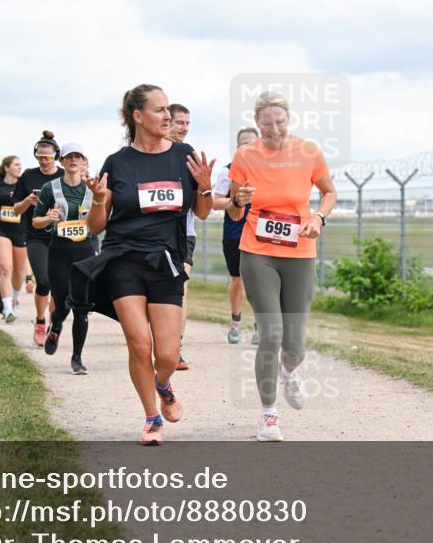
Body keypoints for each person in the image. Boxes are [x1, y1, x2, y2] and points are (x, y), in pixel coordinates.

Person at [72, 84, 215, 445]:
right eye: (160, 110)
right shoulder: (117, 162)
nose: (168, 117)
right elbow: (95, 227)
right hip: (123, 259)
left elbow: (201, 211)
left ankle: (163, 385)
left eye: (169, 110)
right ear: (138, 116)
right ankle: (152, 417)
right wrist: (99, 200)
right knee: (139, 345)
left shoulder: (184, 156)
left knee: (166, 354)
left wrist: (205, 186)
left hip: (166, 260)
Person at [226, 91, 338, 441]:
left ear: (289, 120)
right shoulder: (246, 155)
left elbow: (329, 192)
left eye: (280, 122)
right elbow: (234, 211)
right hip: (257, 251)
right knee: (270, 333)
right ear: (256, 124)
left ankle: (289, 372)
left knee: (294, 345)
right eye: (266, 124)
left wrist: (318, 217)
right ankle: (268, 415)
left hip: (299, 251)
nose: (274, 129)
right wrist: (238, 200)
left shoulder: (308, 151)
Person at [32, 143, 100, 374]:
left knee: (81, 306)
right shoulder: (50, 188)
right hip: (59, 250)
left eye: (78, 157)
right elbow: (35, 221)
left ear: (84, 162)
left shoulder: (92, 189)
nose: (73, 161)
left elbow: (101, 222)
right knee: (61, 304)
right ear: (61, 161)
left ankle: (77, 358)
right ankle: (56, 325)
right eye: (69, 157)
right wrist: (49, 218)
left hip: (84, 249)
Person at [13, 131, 65, 345]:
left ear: (56, 156)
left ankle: (54, 324)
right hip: (35, 236)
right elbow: (16, 209)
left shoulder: (63, 176)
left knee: (59, 286)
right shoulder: (28, 176)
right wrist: (27, 201)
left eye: (47, 157)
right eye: (39, 157)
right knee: (43, 282)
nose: (43, 161)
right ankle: (40, 321)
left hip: (60, 236)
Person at [214, 126, 259, 343]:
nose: (249, 148)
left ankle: (260, 326)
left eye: (253, 144)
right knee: (238, 280)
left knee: (261, 281)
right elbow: (215, 202)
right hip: (235, 233)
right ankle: (235, 322)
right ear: (237, 147)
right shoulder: (227, 171)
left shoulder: (268, 171)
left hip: (260, 232)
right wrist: (236, 201)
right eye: (244, 144)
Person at [167, 103, 194, 370]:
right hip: (152, 233)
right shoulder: (147, 154)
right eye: (179, 123)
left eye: (187, 124)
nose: (184, 128)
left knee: (181, 289)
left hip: (184, 232)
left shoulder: (188, 156)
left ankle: (176, 347)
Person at [0, 155, 28, 323]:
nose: (19, 167)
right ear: (6, 167)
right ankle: (7, 308)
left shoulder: (24, 185)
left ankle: (15, 298)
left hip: (21, 231)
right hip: (1, 230)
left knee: (19, 272)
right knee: (5, 268)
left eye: (20, 165)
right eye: (16, 164)